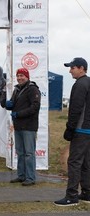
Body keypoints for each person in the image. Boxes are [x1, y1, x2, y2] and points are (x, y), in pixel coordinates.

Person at [54, 57, 90, 206]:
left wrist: (70, 128)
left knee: (74, 162)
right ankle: (87, 193)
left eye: (72, 68)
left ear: (81, 68)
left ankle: (71, 196)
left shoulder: (80, 84)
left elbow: (75, 109)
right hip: (88, 129)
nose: (70, 71)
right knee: (86, 162)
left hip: (81, 129)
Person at [1, 67, 41, 186]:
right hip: (18, 126)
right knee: (20, 152)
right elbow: (12, 105)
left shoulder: (33, 90)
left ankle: (30, 177)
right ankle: (21, 175)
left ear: (27, 77)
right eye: (18, 76)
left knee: (29, 153)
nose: (19, 78)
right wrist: (6, 104)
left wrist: (19, 114)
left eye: (22, 76)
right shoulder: (17, 90)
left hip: (29, 126)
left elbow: (35, 107)